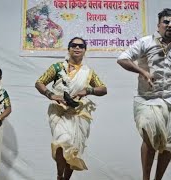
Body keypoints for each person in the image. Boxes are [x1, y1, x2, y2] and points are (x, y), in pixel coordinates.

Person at [117, 8, 171, 180]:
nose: (170, 25)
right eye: (166, 22)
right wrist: (142, 71)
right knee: (150, 136)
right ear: (158, 25)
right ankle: (146, 178)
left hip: (169, 101)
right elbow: (122, 59)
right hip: (146, 100)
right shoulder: (145, 42)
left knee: (168, 144)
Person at [35, 37, 107, 180]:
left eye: (81, 46)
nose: (77, 48)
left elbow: (103, 89)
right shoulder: (57, 67)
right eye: (73, 45)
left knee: (73, 150)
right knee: (62, 142)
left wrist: (87, 91)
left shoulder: (88, 72)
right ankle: (59, 175)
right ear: (68, 49)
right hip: (59, 112)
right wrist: (51, 94)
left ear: (85, 50)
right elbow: (39, 82)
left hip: (79, 114)